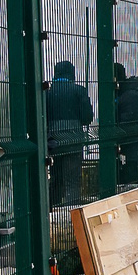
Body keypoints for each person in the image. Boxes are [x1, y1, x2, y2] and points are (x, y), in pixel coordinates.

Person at [44, 59, 91, 206]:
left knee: (56, 178)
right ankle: (72, 211)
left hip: (53, 140)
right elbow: (87, 117)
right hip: (74, 140)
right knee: (72, 180)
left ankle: (54, 208)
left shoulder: (47, 93)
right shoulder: (79, 91)